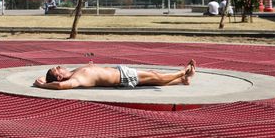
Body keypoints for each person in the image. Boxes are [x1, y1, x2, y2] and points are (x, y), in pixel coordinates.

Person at [34, 60, 196, 90]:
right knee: (156, 76)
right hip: (123, 76)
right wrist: (43, 85)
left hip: (121, 72)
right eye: (57, 69)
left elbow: (47, 80)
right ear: (60, 76)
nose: (60, 66)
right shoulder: (76, 79)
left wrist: (41, 81)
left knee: (153, 82)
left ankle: (182, 80)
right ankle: (183, 71)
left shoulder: (74, 72)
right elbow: (60, 86)